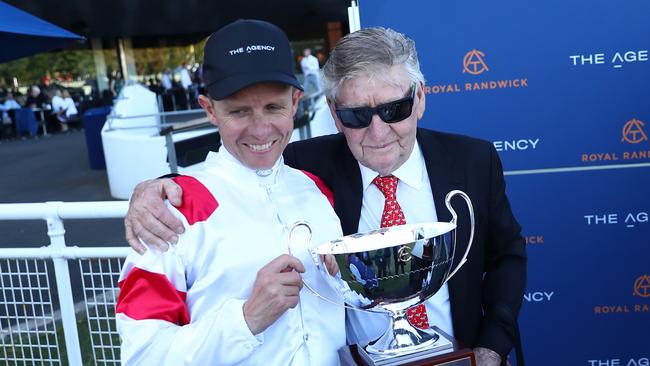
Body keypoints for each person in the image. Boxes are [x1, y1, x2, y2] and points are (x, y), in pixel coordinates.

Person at [124, 27, 527, 366]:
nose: (378, 131)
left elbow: (507, 257)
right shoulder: (305, 169)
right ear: (333, 115)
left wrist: (491, 348)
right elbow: (235, 174)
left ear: (419, 98)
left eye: (394, 109)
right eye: (355, 116)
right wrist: (155, 190)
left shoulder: (471, 160)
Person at [115, 19, 346, 365]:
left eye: (273, 107)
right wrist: (246, 320)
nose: (260, 128)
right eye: (239, 111)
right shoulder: (171, 210)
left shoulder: (317, 188)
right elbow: (142, 355)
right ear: (209, 110)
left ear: (295, 102)